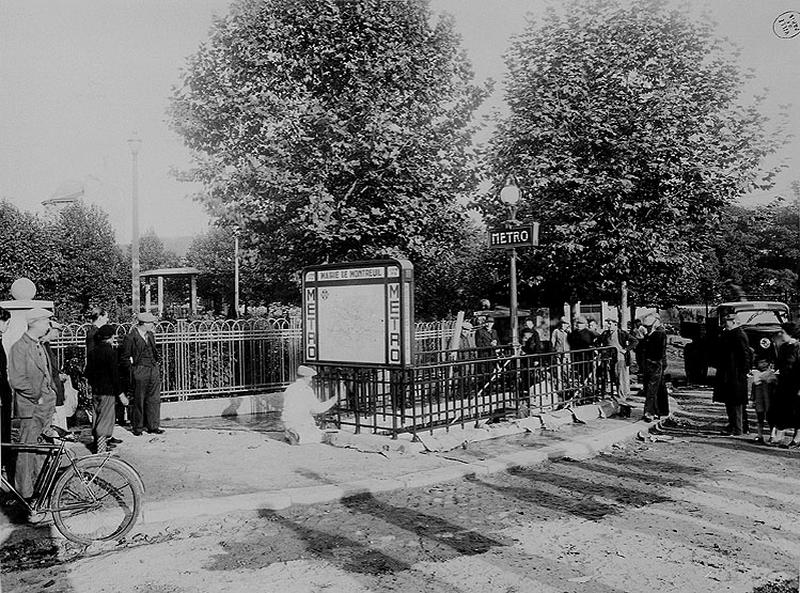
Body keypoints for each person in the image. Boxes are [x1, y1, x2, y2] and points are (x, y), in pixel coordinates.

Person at [7, 308, 58, 500]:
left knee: (42, 450)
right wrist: (38, 397)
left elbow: (46, 374)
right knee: (26, 452)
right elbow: (18, 380)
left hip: (43, 407)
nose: (48, 326)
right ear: (35, 322)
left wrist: (50, 394)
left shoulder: (38, 345)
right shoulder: (19, 347)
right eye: (46, 322)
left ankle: (41, 489)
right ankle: (25, 495)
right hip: (31, 408)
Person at [120, 312, 164, 436]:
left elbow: (153, 351)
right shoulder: (130, 337)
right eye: (151, 323)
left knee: (154, 399)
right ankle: (137, 427)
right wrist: (133, 371)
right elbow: (124, 357)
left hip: (152, 368)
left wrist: (156, 364)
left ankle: (153, 426)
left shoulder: (150, 335)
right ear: (144, 324)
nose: (153, 325)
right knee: (139, 398)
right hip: (139, 369)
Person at [86, 324, 128, 453]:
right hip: (108, 392)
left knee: (97, 417)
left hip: (96, 391)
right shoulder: (110, 352)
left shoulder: (93, 351)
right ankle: (101, 450)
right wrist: (121, 394)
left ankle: (97, 444)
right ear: (110, 337)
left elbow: (88, 372)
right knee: (105, 419)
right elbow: (114, 375)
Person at [712, 312, 753, 436]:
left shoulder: (739, 335)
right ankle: (736, 425)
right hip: (728, 373)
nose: (724, 324)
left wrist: (743, 371)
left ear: (734, 322)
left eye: (727, 322)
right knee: (730, 401)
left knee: (736, 402)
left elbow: (745, 355)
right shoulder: (728, 334)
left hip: (735, 374)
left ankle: (738, 427)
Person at [281, 365, 337, 445]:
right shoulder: (306, 390)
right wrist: (332, 401)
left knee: (309, 429)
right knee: (322, 436)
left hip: (288, 421)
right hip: (301, 421)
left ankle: (291, 432)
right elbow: (316, 409)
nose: (311, 380)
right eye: (310, 377)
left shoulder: (290, 388)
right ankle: (298, 436)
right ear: (306, 377)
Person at [771, 323, 800, 448]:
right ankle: (780, 435)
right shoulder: (783, 347)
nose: (779, 334)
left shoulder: (798, 348)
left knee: (797, 411)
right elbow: (779, 365)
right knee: (785, 410)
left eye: (782, 332)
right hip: (784, 384)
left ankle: (797, 438)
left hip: (796, 384)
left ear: (789, 333)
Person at [640, 313, 669, 422]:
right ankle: (662, 410)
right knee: (660, 387)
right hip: (653, 363)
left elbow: (657, 352)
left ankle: (650, 412)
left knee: (651, 388)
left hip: (654, 363)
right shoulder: (651, 335)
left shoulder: (658, 335)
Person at [41, 320, 69, 429]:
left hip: (56, 384)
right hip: (51, 385)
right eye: (56, 332)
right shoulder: (42, 345)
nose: (58, 335)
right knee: (56, 415)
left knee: (59, 412)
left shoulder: (46, 345)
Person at [600, 318, 638, 399]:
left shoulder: (621, 333)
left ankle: (622, 396)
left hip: (620, 358)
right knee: (612, 377)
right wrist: (600, 350)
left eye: (610, 324)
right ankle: (613, 394)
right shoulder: (605, 333)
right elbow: (598, 342)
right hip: (610, 359)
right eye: (607, 324)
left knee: (621, 377)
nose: (608, 326)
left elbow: (635, 341)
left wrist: (626, 349)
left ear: (615, 325)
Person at [750, 358, 777, 444]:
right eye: (760, 362)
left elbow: (774, 388)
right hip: (759, 398)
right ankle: (760, 435)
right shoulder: (756, 374)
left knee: (771, 418)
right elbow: (754, 387)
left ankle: (773, 435)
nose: (761, 364)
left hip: (769, 399)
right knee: (759, 416)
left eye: (764, 362)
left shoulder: (772, 375)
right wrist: (753, 399)